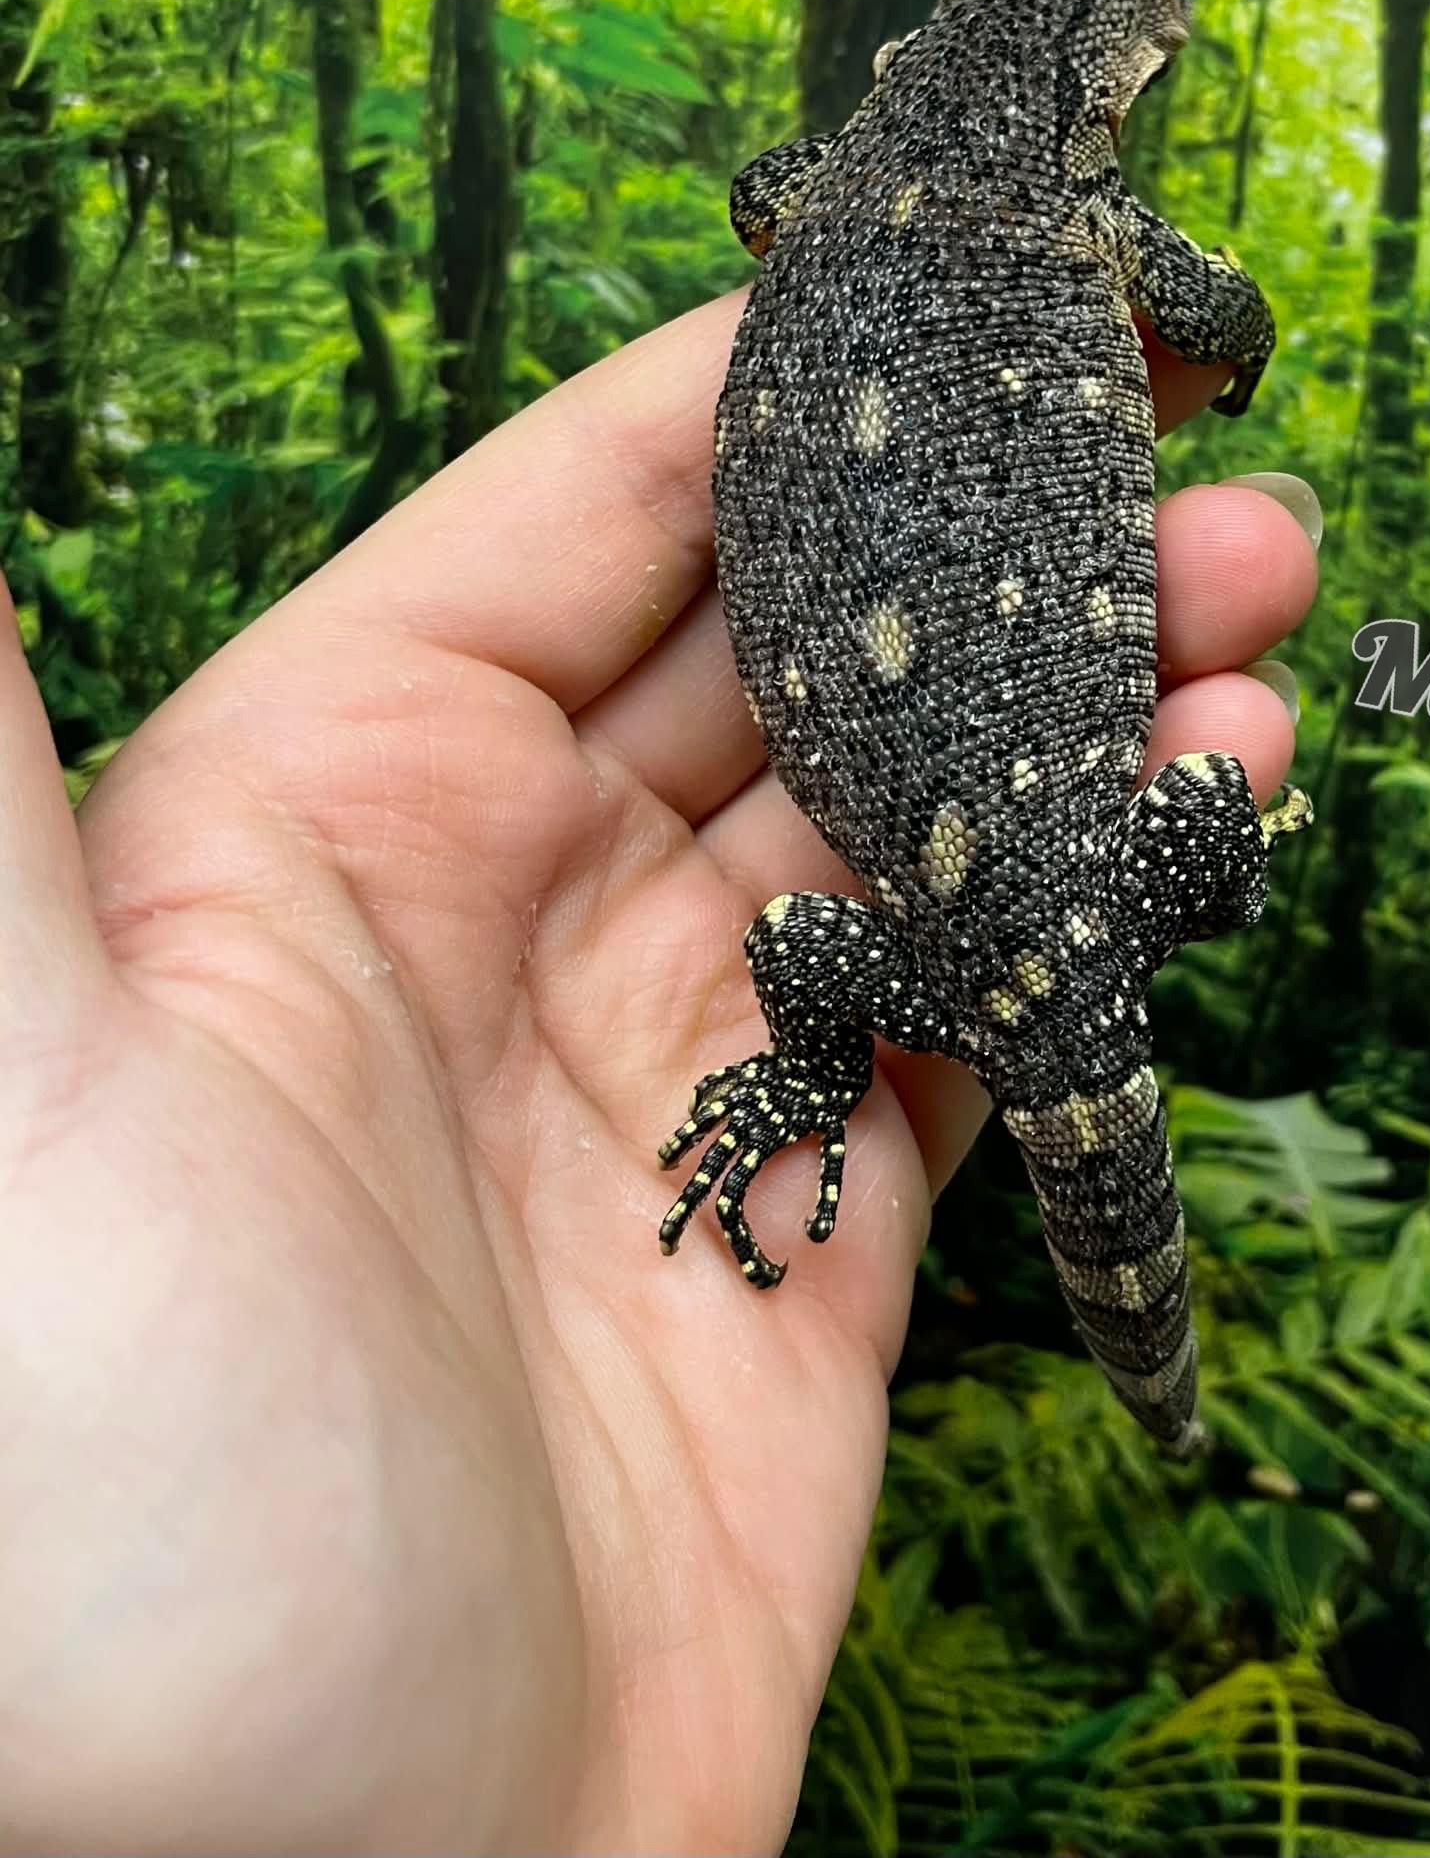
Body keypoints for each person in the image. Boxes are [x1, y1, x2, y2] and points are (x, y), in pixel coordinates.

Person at [0, 287, 1319, 1851]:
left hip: (973, 949)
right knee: (1207, 791)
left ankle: (1137, 1369)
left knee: (805, 942)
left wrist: (812, 1081)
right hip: (1083, 926)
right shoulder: (1084, 252)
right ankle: (1170, 1366)